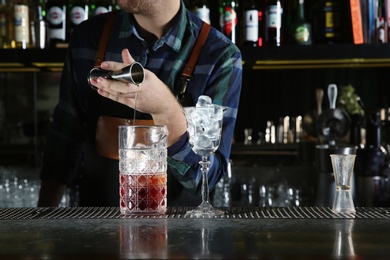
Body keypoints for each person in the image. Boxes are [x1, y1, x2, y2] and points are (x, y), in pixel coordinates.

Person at [37, 0, 242, 207]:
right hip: (96, 230)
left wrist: (167, 111)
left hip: (182, 233)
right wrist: (44, 219)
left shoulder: (220, 56)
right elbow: (64, 140)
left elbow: (207, 178)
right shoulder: (88, 37)